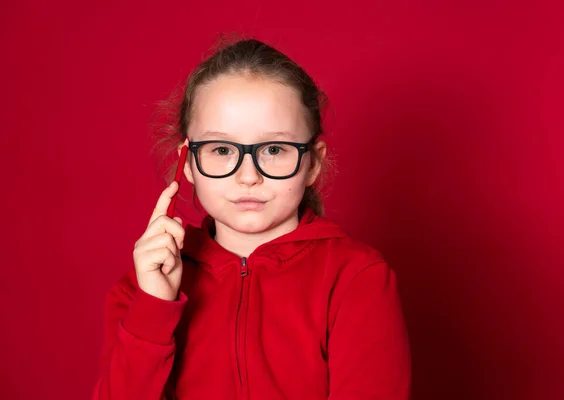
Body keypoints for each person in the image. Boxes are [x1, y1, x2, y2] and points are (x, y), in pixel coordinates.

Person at [92, 37, 411, 400]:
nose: (248, 176)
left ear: (313, 163)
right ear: (188, 161)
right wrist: (154, 308)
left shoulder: (356, 277)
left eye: (274, 149)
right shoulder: (141, 288)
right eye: (222, 149)